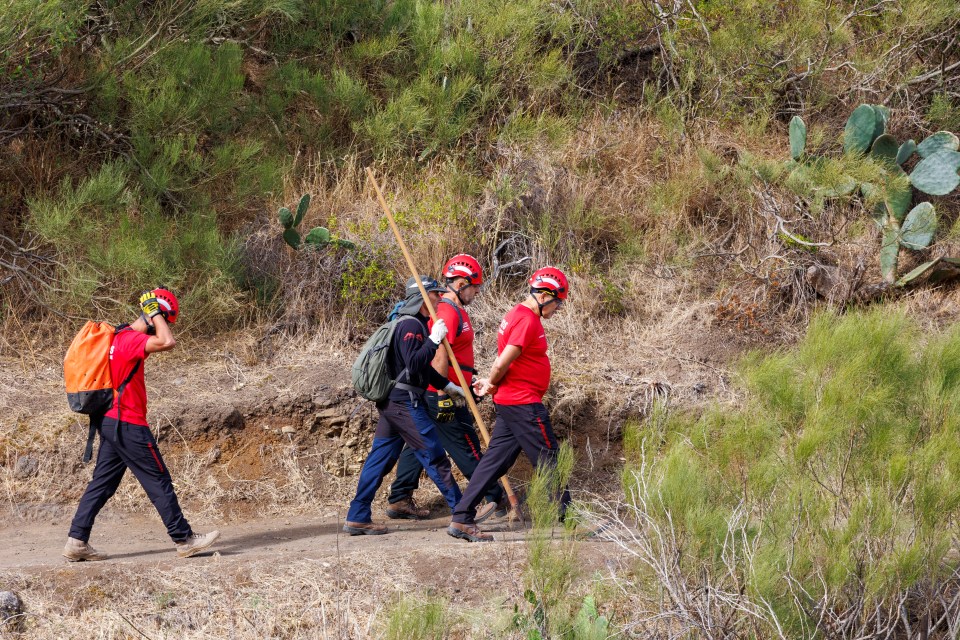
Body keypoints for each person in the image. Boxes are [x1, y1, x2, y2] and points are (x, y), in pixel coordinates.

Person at [63, 288, 221, 561]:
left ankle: (76, 541)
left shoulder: (118, 337)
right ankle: (184, 539)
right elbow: (167, 341)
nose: (164, 325)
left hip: (111, 422)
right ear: (153, 316)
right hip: (128, 423)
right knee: (158, 479)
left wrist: (154, 313)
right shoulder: (131, 340)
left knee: (102, 484)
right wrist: (155, 312)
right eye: (164, 319)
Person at [447, 267, 572, 542]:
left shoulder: (516, 314)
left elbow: (504, 358)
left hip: (511, 403)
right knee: (550, 456)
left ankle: (462, 517)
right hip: (523, 404)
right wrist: (491, 382)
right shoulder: (528, 321)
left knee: (493, 464)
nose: (558, 308)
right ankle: (569, 516)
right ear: (544, 295)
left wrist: (491, 382)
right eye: (558, 302)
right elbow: (503, 360)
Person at [385, 255, 506, 523]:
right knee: (465, 444)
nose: (477, 292)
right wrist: (443, 395)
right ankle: (495, 498)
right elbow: (439, 353)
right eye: (475, 286)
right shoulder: (449, 312)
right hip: (440, 393)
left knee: (422, 443)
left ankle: (400, 498)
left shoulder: (454, 310)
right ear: (462, 284)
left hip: (444, 389)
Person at [344, 275, 467, 535]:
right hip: (405, 405)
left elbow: (416, 369)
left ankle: (357, 516)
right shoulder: (410, 326)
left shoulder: (410, 323)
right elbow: (414, 363)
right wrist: (433, 341)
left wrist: (446, 385)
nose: (439, 298)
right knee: (434, 457)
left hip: (393, 404)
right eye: (434, 294)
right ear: (422, 298)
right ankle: (463, 514)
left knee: (380, 459)